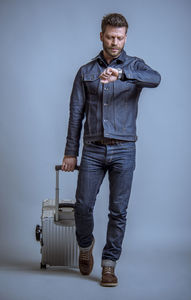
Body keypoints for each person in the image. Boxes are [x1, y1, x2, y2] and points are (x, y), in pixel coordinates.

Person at [61, 13, 161, 287]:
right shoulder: (86, 72)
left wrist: (122, 73)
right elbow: (75, 114)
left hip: (124, 150)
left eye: (120, 37)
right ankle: (85, 245)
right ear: (101, 36)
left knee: (118, 211)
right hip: (92, 150)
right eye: (110, 36)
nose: (115, 42)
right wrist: (71, 152)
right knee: (83, 206)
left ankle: (108, 265)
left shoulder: (134, 66)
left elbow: (156, 79)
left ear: (125, 37)